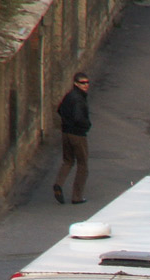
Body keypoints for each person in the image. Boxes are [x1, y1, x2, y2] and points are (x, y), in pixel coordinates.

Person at [53, 73, 91, 205]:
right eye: (82, 83)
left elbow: (59, 110)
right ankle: (77, 196)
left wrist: (66, 122)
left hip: (66, 133)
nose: (86, 85)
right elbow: (78, 118)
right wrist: (86, 125)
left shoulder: (69, 96)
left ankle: (58, 183)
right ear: (76, 83)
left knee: (68, 161)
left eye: (87, 82)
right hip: (77, 135)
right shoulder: (79, 99)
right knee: (83, 165)